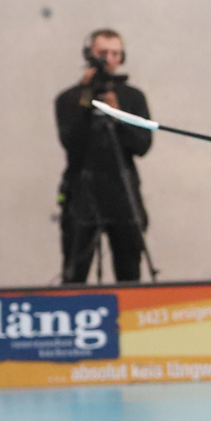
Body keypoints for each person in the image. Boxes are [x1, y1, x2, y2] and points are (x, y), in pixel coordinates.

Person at [55, 29, 152, 283]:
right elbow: (70, 142)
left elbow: (142, 144)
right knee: (74, 274)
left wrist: (118, 116)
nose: (109, 59)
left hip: (122, 193)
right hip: (82, 193)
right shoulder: (69, 98)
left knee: (129, 273)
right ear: (89, 55)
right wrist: (85, 99)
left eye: (115, 53)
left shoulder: (132, 97)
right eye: (102, 53)